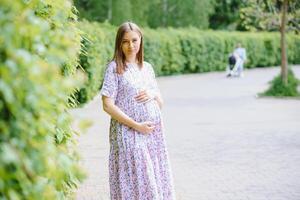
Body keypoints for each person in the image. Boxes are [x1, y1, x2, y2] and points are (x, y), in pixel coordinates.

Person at [101, 21, 176, 200]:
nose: (131, 45)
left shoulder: (147, 68)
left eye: (134, 40)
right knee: (138, 180)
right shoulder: (114, 69)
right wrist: (137, 126)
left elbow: (160, 103)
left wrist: (152, 94)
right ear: (119, 43)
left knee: (153, 178)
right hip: (128, 133)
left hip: (153, 135)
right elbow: (107, 105)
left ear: (141, 40)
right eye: (125, 41)